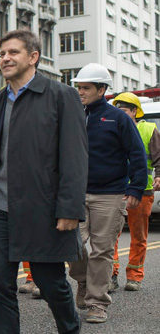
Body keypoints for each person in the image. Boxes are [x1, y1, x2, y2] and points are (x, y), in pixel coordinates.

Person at [0, 29, 86, 334]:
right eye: (2, 53)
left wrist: (69, 208)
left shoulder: (61, 96)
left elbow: (75, 156)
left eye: (13, 52)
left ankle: (70, 328)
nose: (5, 58)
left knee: (50, 282)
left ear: (33, 57)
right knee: (1, 286)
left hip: (41, 209)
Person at [68, 64, 147, 323]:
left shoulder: (119, 118)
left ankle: (97, 303)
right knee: (73, 244)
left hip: (110, 194)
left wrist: (135, 188)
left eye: (86, 88)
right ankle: (83, 281)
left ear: (102, 90)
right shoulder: (75, 116)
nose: (81, 92)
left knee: (102, 250)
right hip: (77, 193)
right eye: (79, 87)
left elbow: (136, 153)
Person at [111, 92, 160, 292]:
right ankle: (110, 275)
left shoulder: (149, 129)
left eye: (123, 111)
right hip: (115, 189)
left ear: (134, 111)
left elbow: (158, 157)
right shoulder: (111, 128)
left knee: (138, 235)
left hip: (142, 190)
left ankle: (134, 276)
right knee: (109, 236)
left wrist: (159, 175)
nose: (119, 114)